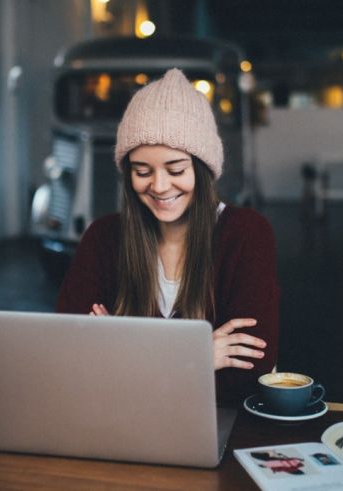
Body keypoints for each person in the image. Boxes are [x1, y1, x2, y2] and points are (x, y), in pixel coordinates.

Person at [55, 68, 279, 403]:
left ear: (203, 170)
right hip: (116, 425)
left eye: (176, 170)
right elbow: (69, 358)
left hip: (215, 427)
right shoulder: (103, 238)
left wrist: (120, 355)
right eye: (141, 171)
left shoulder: (247, 233)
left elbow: (246, 374)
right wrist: (196, 358)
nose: (159, 187)